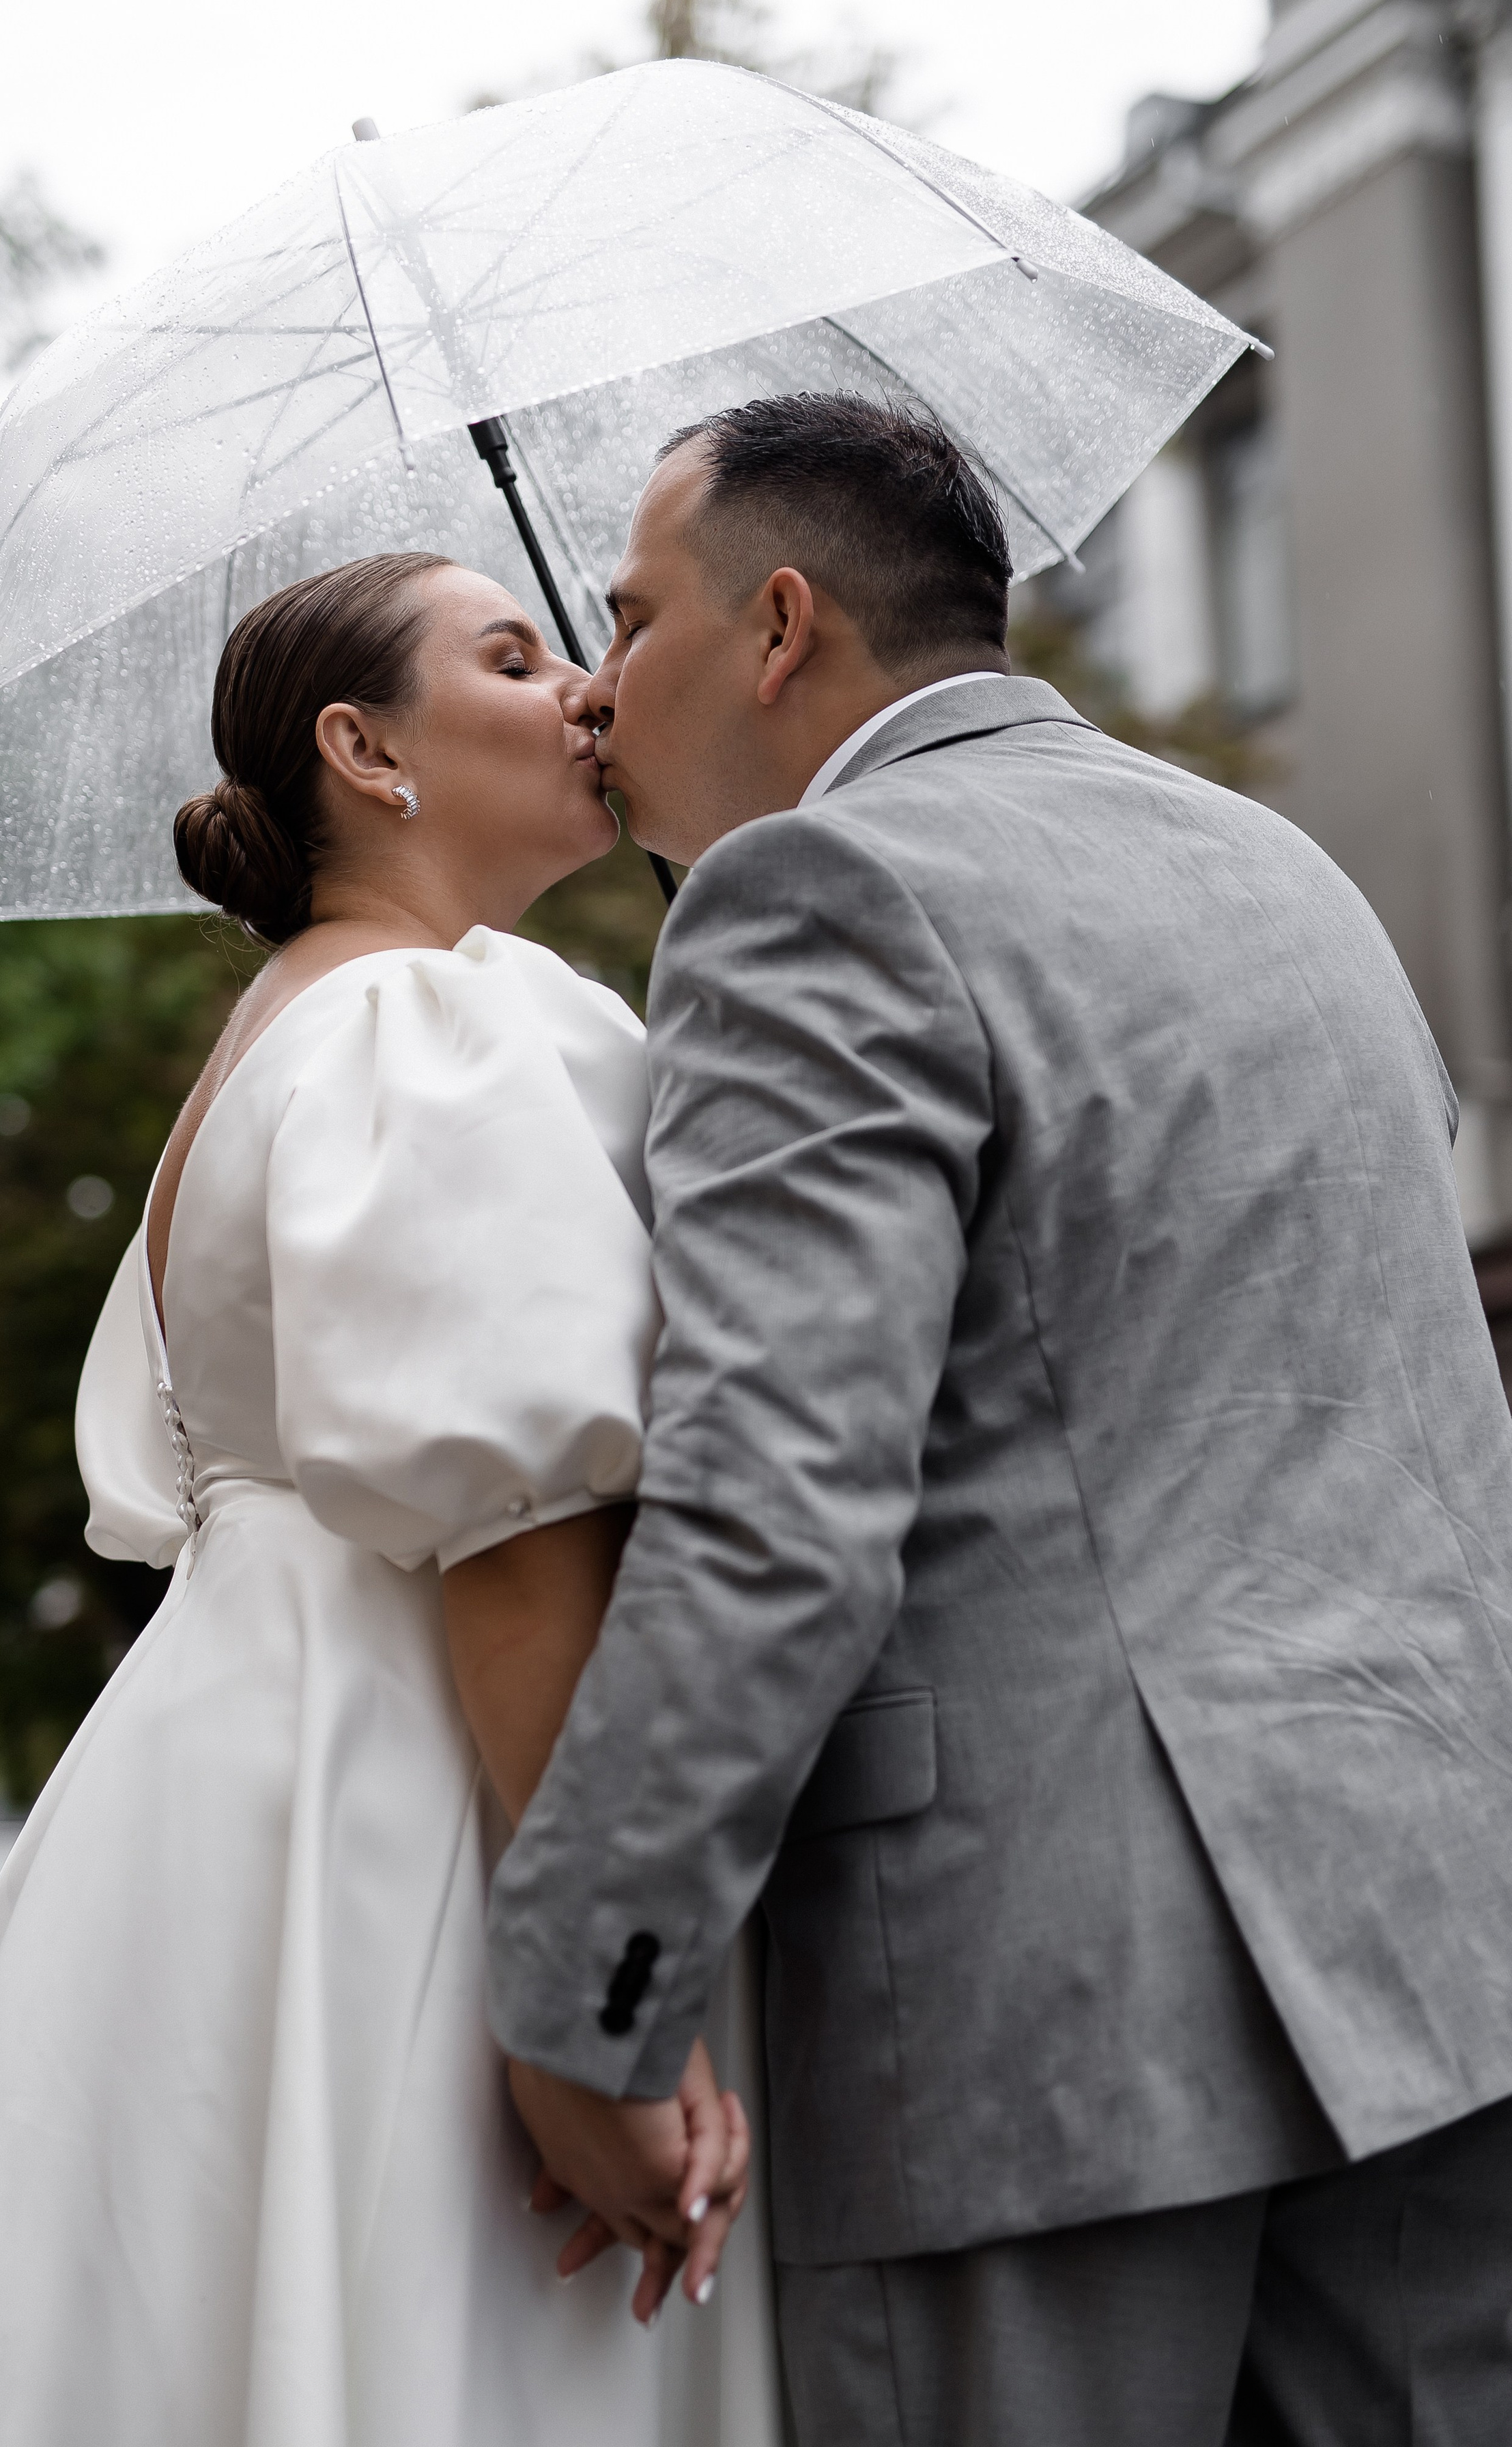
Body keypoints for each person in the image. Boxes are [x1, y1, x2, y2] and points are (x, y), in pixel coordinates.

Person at [487, 393, 1512, 2446]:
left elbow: (775, 1506)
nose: (596, 686)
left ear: (778, 629)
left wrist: (593, 1993)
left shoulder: (811, 900)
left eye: (626, 619)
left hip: (1038, 2012)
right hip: (1442, 1950)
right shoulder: (1286, 871)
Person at [0, 554, 781, 2447]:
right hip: (415, 1788)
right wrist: (601, 2000)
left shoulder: (294, 1029)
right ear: (367, 749)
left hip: (232, 1787)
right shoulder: (424, 1030)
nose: (589, 695)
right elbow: (516, 1534)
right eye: (514, 660)